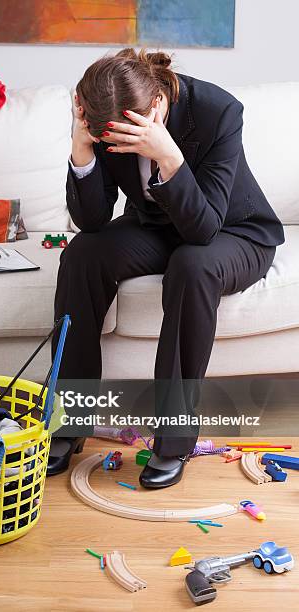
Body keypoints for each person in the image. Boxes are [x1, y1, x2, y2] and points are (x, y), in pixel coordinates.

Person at [47, 47, 285, 487]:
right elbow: (94, 222)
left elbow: (203, 229)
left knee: (192, 266)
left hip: (234, 232)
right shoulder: (103, 120)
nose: (116, 144)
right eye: (107, 137)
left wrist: (168, 155)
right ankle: (69, 420)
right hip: (156, 226)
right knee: (81, 254)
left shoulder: (218, 111)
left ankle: (173, 440)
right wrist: (82, 148)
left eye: (124, 136)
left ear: (155, 105)